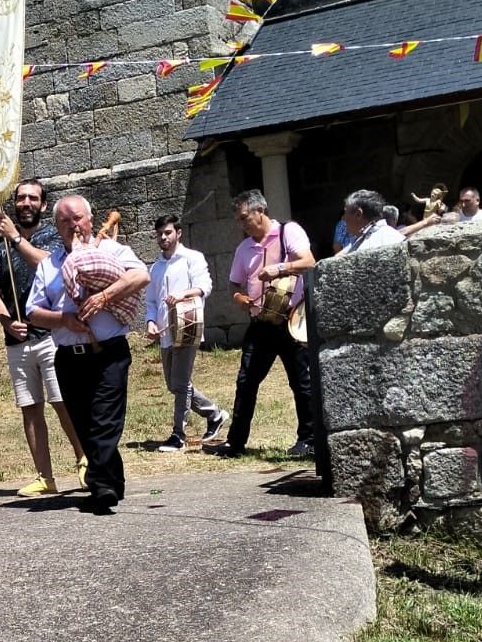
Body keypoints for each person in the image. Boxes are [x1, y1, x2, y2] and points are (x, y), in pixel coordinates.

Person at [27, 195, 150, 512]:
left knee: (103, 420)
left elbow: (141, 276)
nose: (73, 225)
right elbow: (32, 312)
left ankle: (100, 486)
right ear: (57, 227)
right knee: (84, 424)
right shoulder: (49, 265)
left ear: (91, 220)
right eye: (65, 221)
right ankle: (114, 480)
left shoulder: (112, 250)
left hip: (109, 352)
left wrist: (105, 297)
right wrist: (63, 319)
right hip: (68, 356)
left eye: (78, 218)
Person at [0, 179, 85, 497]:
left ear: (43, 205)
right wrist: (5, 322)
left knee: (62, 401)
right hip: (18, 340)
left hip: (50, 335)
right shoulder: (0, 249)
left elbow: (46, 263)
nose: (26, 203)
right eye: (20, 198)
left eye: (33, 198)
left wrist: (15, 238)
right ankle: (45, 477)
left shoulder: (54, 237)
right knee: (30, 408)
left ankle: (85, 461)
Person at [208, 189, 316, 459]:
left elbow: (309, 261)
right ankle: (236, 441)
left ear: (261, 211)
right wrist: (238, 297)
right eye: (239, 220)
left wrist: (279, 269)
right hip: (261, 321)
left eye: (245, 217)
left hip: (291, 319)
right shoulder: (244, 248)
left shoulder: (288, 232)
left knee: (301, 381)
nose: (242, 224)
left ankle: (309, 439)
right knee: (246, 381)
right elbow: (234, 282)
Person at [144, 215, 227, 453]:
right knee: (175, 384)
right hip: (165, 332)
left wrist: (183, 294)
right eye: (160, 233)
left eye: (168, 232)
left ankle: (178, 435)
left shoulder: (193, 258)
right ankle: (215, 414)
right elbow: (150, 301)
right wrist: (150, 321)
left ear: (178, 233)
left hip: (187, 328)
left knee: (180, 384)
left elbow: (205, 287)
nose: (163, 237)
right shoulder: (156, 267)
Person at [338, 190, 406, 254]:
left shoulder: (366, 248)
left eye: (345, 212)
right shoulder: (393, 235)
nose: (343, 218)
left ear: (358, 214)